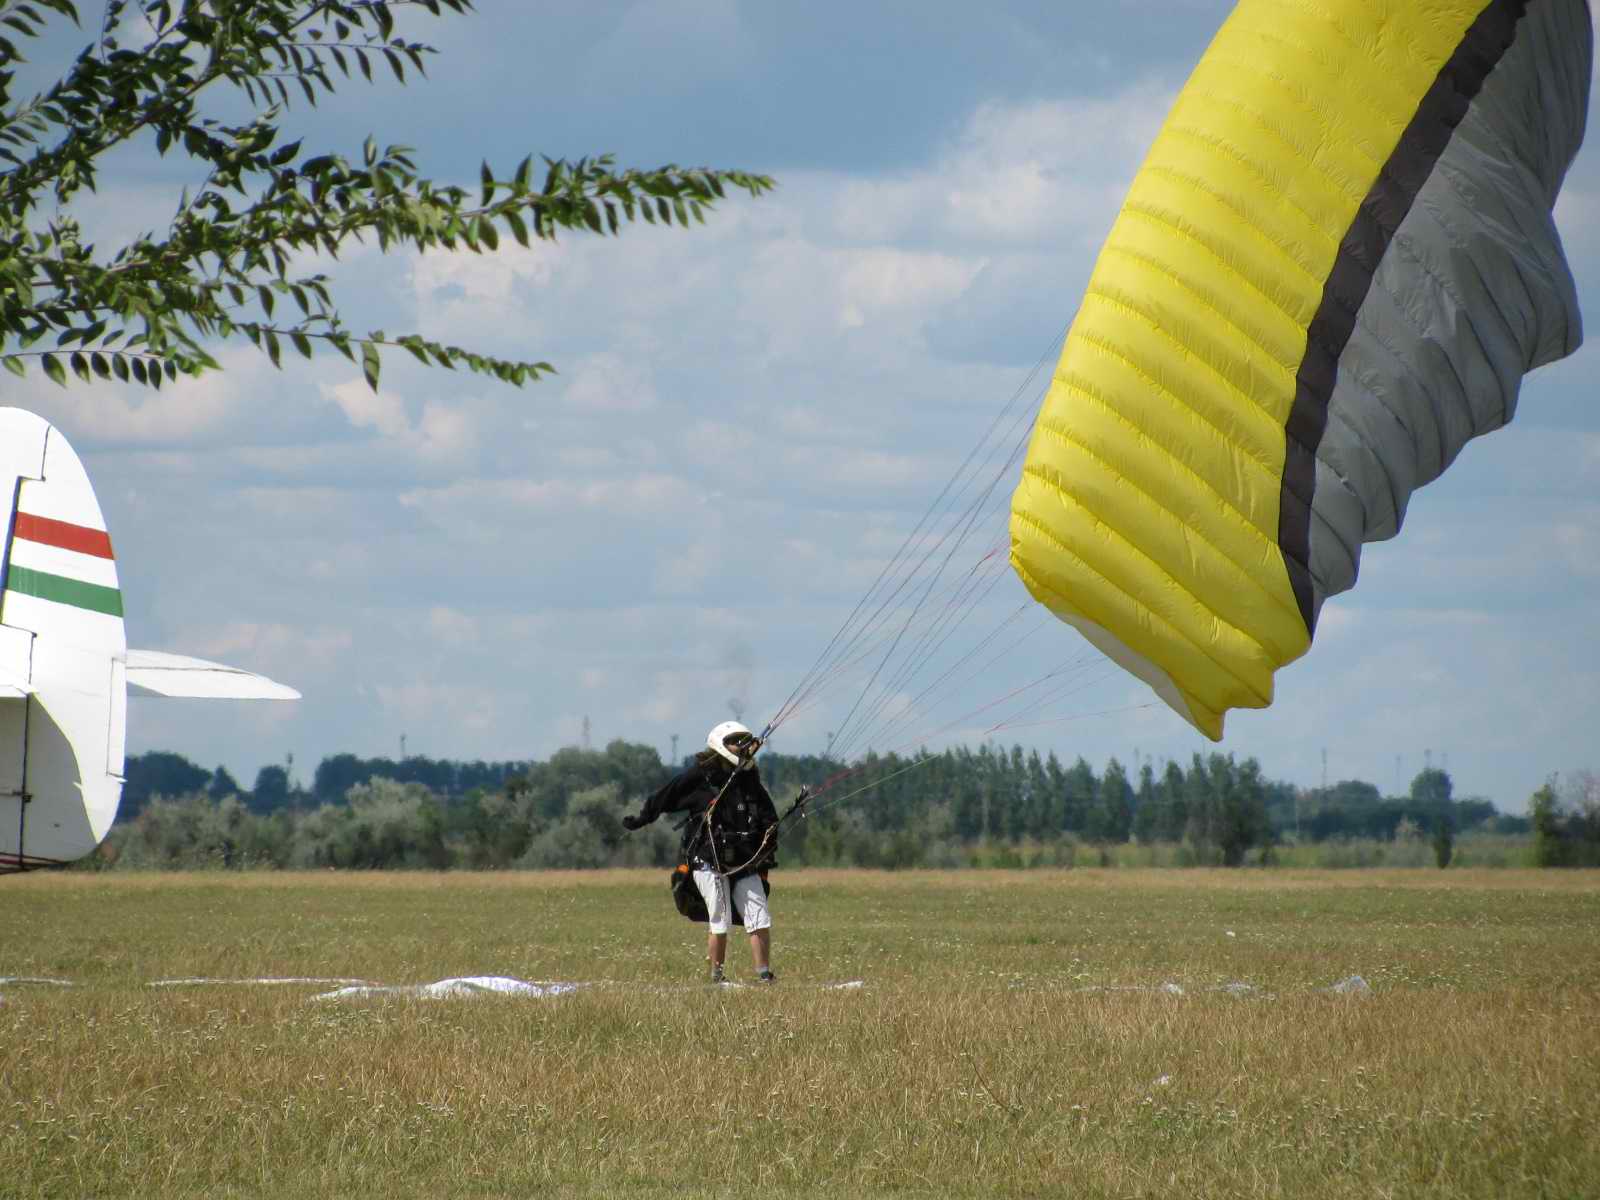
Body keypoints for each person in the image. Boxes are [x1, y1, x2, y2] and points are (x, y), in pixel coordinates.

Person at [622, 720, 780, 984]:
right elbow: (667, 794)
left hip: (744, 862)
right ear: (721, 744)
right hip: (708, 861)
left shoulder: (749, 779)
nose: (742, 747)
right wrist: (642, 818)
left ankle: (764, 974)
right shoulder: (701, 777)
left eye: (744, 742)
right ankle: (717, 977)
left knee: (759, 917)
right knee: (720, 919)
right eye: (736, 742)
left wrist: (769, 841)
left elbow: (768, 816)